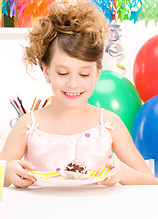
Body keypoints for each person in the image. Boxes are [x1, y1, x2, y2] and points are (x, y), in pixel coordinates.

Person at [0, 0, 157, 188]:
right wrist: (8, 174)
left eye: (84, 74)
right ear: (46, 70)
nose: (73, 84)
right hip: (42, 216)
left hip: (97, 216)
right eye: (63, 73)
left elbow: (151, 182)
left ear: (98, 72)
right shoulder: (28, 125)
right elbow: (3, 172)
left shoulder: (108, 123)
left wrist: (122, 173)